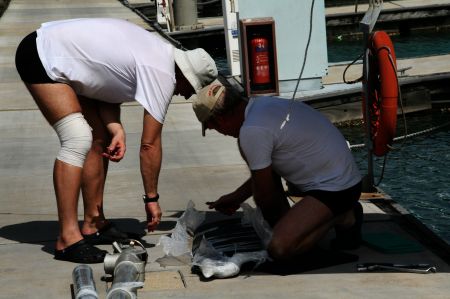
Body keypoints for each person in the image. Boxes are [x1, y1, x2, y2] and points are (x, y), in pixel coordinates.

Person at [15, 18, 218, 263]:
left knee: (98, 138)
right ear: (183, 74)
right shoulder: (163, 73)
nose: (186, 93)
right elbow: (149, 145)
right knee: (77, 138)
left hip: (60, 54)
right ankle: (67, 239)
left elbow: (107, 82)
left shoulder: (155, 51)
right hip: (42, 55)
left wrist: (116, 128)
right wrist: (151, 199)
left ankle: (93, 223)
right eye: (191, 87)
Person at [191, 78, 363, 260]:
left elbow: (265, 194)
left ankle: (343, 215)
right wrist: (237, 196)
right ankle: (323, 218)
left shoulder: (251, 131)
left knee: (280, 248)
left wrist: (274, 232)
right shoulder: (261, 104)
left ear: (220, 119)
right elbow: (265, 174)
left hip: (336, 190)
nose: (222, 133)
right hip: (345, 180)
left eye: (212, 128)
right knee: (281, 218)